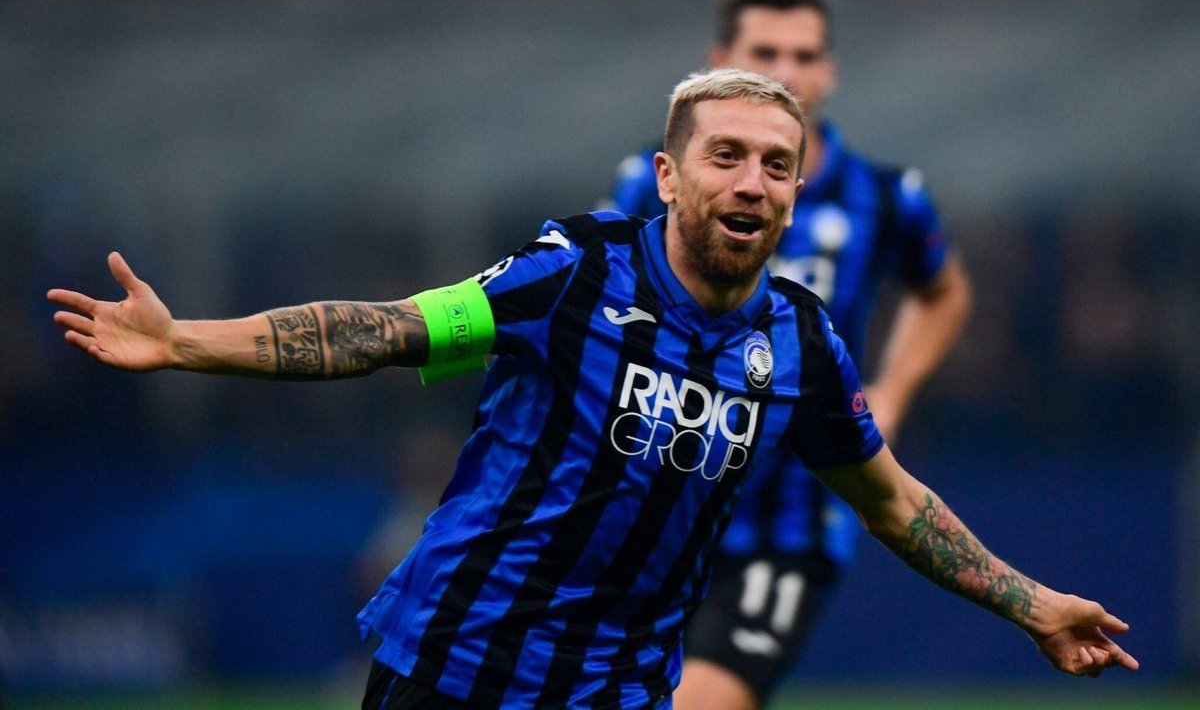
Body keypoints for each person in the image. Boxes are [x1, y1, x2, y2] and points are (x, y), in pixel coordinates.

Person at [49, 70, 1134, 709]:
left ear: (796, 194)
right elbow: (387, 329)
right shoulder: (574, 272)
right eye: (725, 155)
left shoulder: (802, 341)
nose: (751, 180)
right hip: (457, 671)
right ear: (669, 175)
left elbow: (892, 501)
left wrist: (1034, 604)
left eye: (775, 164)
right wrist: (185, 342)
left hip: (617, 693)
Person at [605, 0, 973, 709]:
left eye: (804, 56)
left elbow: (945, 291)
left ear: (830, 70)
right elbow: (602, 291)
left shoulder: (884, 197)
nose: (786, 72)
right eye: (764, 52)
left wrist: (891, 393)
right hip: (656, 499)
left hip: (788, 523)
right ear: (719, 63)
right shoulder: (660, 180)